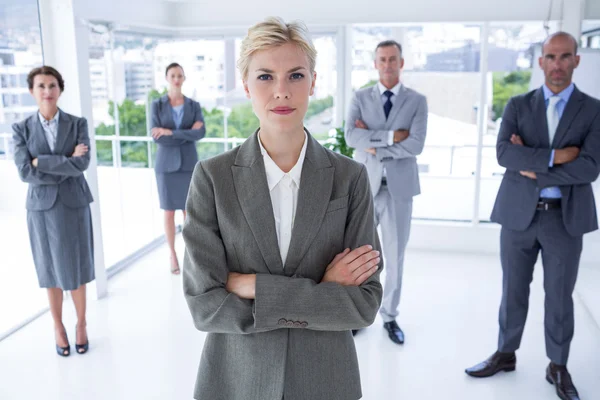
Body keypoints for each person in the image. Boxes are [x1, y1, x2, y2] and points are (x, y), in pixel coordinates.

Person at [182, 17, 383, 400]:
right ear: (245, 86)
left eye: (294, 76)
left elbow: (364, 303)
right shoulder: (212, 178)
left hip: (325, 379)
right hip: (236, 379)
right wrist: (323, 293)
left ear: (313, 82)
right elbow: (205, 306)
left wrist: (252, 286)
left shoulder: (350, 178)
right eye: (264, 77)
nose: (281, 92)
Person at [465, 32, 600, 400]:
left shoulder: (593, 110)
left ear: (576, 60)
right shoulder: (517, 105)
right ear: (540, 62)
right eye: (550, 57)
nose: (557, 64)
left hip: (564, 219)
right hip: (517, 216)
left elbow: (589, 168)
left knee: (559, 297)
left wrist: (534, 166)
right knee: (512, 292)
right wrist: (558, 157)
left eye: (564, 56)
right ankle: (505, 354)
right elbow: (505, 156)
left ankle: (558, 364)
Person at [344, 39, 428, 344]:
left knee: (395, 256)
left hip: (399, 190)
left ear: (401, 63)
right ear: (375, 63)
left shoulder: (417, 101)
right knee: (360, 255)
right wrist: (393, 137)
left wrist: (375, 144)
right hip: (365, 187)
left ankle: (390, 316)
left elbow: (416, 144)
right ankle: (360, 313)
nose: (388, 65)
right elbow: (352, 136)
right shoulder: (360, 97)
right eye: (382, 59)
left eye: (393, 59)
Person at [12, 66, 94, 356]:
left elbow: (82, 165)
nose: (47, 91)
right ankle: (58, 327)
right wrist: (63, 161)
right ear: (32, 91)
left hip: (74, 204)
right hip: (41, 209)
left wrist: (41, 162)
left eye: (52, 85)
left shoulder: (77, 124)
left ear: (60, 89)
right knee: (50, 270)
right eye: (41, 86)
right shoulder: (21, 129)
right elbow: (24, 171)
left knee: (78, 268)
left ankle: (81, 324)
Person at [150, 62, 205, 274]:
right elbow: (156, 137)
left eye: (180, 75)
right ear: (167, 78)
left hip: (188, 164)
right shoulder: (157, 105)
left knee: (188, 212)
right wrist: (185, 134)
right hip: (165, 166)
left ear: (184, 78)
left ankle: (191, 255)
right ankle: (172, 255)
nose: (176, 79)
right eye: (173, 75)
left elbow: (200, 133)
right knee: (169, 211)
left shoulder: (193, 105)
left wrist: (170, 133)